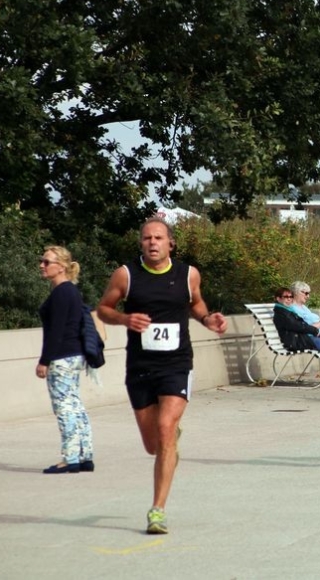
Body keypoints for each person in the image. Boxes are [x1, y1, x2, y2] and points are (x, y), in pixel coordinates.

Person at [97, 218, 228, 534]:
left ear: (170, 243)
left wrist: (209, 319)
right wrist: (125, 319)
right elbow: (103, 309)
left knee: (166, 426)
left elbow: (196, 305)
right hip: (140, 367)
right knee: (152, 445)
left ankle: (157, 510)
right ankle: (168, 442)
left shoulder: (188, 274)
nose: (152, 243)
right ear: (141, 243)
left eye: (158, 238)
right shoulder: (126, 275)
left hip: (177, 364)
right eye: (146, 238)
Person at [36, 245, 96, 474]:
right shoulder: (71, 290)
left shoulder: (61, 292)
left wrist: (44, 361)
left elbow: (57, 330)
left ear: (61, 267)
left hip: (61, 358)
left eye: (47, 261)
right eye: (42, 261)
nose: (42, 265)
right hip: (73, 356)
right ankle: (85, 455)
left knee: (64, 408)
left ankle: (70, 457)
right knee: (75, 405)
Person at [272, 287, 320, 388]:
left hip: (303, 338)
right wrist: (315, 329)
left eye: (290, 297)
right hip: (296, 341)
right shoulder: (281, 314)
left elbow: (301, 325)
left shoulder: (288, 310)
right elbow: (298, 326)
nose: (289, 299)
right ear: (278, 299)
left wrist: (314, 329)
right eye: (286, 297)